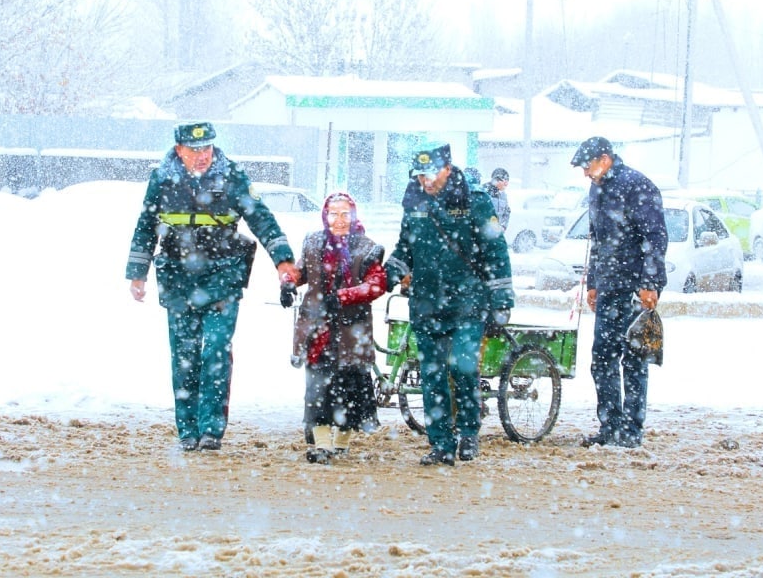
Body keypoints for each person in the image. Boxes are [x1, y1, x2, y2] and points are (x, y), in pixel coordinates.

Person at [126, 120, 300, 452]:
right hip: (178, 278)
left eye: (207, 148)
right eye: (194, 149)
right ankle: (188, 431)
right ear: (179, 150)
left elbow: (261, 217)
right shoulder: (162, 178)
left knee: (216, 351)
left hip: (223, 277)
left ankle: (211, 431)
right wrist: (138, 271)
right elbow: (146, 224)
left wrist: (283, 260)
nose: (202, 155)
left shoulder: (232, 176)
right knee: (185, 356)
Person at [383, 143, 514, 466]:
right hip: (426, 303)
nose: (424, 180)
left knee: (462, 368)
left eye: (428, 174)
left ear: (446, 169)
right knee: (432, 375)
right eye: (418, 175)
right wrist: (385, 276)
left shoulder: (477, 202)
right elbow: (405, 248)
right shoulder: (414, 202)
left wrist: (502, 300)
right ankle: (441, 443)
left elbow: (496, 251)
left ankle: (469, 432)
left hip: (467, 303)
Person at [570, 136, 667, 449]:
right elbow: (597, 240)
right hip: (610, 287)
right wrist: (594, 282)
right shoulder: (597, 188)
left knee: (634, 359)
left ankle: (631, 430)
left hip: (634, 288)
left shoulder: (637, 185)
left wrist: (650, 283)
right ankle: (610, 426)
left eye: (587, 166)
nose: (585, 173)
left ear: (604, 158)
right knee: (601, 357)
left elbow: (655, 237)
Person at [287, 192, 387, 464]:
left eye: (345, 214)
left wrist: (343, 297)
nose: (339, 220)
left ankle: (341, 443)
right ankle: (321, 445)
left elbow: (377, 284)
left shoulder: (367, 248)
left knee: (349, 390)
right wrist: (288, 283)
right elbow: (299, 272)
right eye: (334, 213)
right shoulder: (313, 242)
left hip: (352, 331)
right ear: (325, 215)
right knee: (318, 389)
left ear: (354, 216)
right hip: (318, 329)